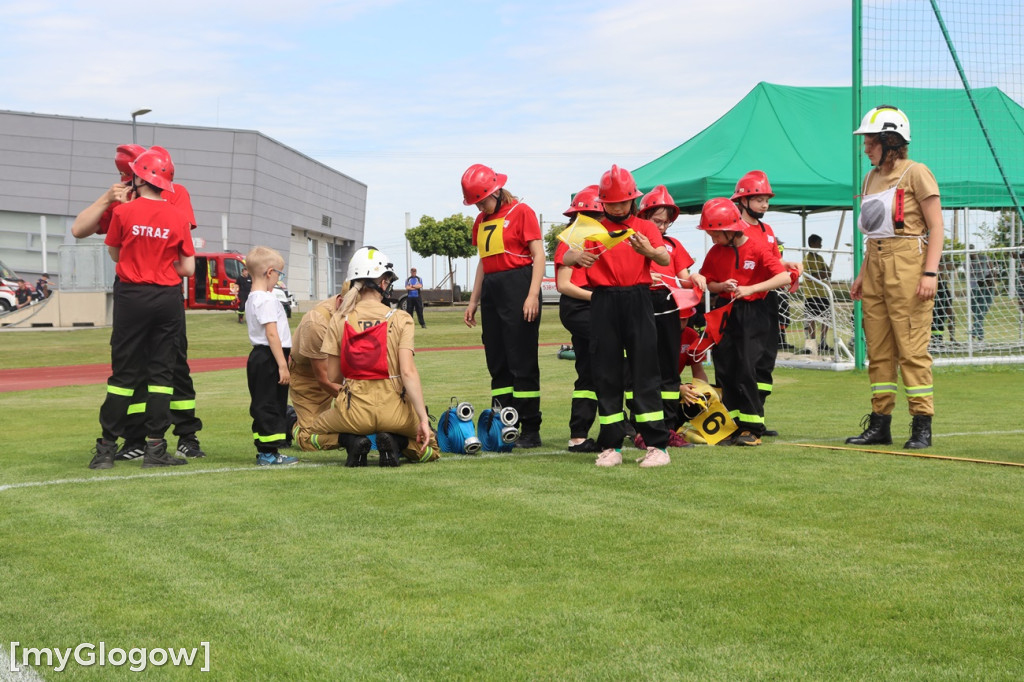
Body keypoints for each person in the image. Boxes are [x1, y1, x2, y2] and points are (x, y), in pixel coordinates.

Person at [72, 144, 207, 462]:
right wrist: (160, 266)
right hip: (166, 295)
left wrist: (139, 260)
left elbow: (116, 254)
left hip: (131, 294)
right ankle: (155, 447)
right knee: (164, 372)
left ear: (138, 175)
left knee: (124, 373)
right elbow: (188, 267)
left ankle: (106, 447)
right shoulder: (174, 213)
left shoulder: (123, 211)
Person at [562, 165, 673, 467]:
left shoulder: (646, 227)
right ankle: (611, 446)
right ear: (602, 202)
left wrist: (649, 250)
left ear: (632, 200)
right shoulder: (589, 229)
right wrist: (577, 256)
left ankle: (657, 446)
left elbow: (665, 258)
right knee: (606, 372)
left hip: (638, 298)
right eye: (611, 202)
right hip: (603, 301)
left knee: (644, 370)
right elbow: (564, 256)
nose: (617, 207)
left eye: (623, 201)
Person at [848, 104, 944, 450]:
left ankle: (922, 425)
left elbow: (936, 227)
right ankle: (880, 423)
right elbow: (873, 234)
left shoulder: (917, 172)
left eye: (870, 141)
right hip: (874, 262)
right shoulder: (870, 177)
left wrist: (930, 272)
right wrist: (862, 274)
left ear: (890, 141)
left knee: (911, 347)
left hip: (908, 263)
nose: (865, 148)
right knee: (879, 348)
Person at [297, 246, 439, 466]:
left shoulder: (338, 319)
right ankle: (397, 442)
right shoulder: (401, 318)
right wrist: (421, 418)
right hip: (395, 411)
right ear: (382, 282)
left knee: (308, 436)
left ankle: (350, 441)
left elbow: (334, 376)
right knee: (432, 448)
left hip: (352, 412)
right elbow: (408, 372)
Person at [461, 164, 545, 448]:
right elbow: (484, 263)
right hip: (493, 291)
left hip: (518, 286)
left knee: (521, 359)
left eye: (481, 201)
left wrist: (532, 295)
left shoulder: (522, 212)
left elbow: (538, 256)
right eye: (474, 203)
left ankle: (531, 428)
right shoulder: (481, 221)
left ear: (496, 192)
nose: (478, 207)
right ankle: (503, 422)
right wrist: (473, 301)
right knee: (497, 361)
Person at [698, 198, 791, 447]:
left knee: (747, 367)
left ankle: (752, 428)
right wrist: (721, 286)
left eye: (714, 233)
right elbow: (707, 282)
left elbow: (783, 277)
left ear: (731, 229)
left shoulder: (759, 248)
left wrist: (751, 288)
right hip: (726, 310)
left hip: (755, 312)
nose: (711, 237)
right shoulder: (715, 252)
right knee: (725, 366)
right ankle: (731, 425)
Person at [732, 170, 802, 436]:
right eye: (759, 199)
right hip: (741, 303)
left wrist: (788, 263)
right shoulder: (734, 230)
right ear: (743, 200)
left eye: (766, 199)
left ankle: (756, 416)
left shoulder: (768, 230)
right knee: (744, 363)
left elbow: (771, 261)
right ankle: (741, 423)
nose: (764, 204)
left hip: (767, 301)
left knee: (765, 362)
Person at [636, 185, 705, 447]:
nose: (662, 227)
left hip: (669, 309)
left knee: (668, 371)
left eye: (666, 222)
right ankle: (641, 429)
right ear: (644, 216)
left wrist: (695, 277)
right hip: (641, 305)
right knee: (643, 369)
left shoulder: (673, 246)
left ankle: (664, 428)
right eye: (657, 221)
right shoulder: (634, 242)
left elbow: (684, 280)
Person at [555, 185, 602, 453]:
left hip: (594, 306)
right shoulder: (571, 239)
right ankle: (585, 433)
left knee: (589, 370)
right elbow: (563, 285)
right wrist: (596, 299)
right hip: (582, 307)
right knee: (603, 367)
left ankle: (580, 435)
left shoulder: (601, 238)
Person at [244, 246, 298, 466]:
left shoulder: (253, 298)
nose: (279, 279)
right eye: (279, 274)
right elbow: (272, 333)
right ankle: (268, 453)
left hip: (265, 355)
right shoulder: (265, 299)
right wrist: (282, 365)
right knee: (270, 404)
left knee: (266, 402)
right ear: (269, 272)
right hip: (269, 357)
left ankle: (266, 449)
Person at [289, 290, 345, 443]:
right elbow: (324, 378)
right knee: (309, 437)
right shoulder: (317, 323)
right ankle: (290, 419)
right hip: (309, 376)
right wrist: (353, 399)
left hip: (342, 368)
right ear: (340, 301)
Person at [802, 234, 833, 353]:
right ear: (812, 244)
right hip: (811, 294)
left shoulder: (820, 258)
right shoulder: (806, 260)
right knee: (811, 319)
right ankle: (812, 343)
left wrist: (820, 274)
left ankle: (823, 342)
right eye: (819, 243)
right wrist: (821, 274)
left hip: (823, 293)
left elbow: (828, 273)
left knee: (827, 318)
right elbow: (810, 277)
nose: (821, 245)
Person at [967, 245, 996, 342]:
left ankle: (974, 337)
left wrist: (991, 281)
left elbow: (992, 270)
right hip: (974, 290)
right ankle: (979, 338)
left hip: (987, 288)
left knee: (981, 313)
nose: (972, 253)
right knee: (976, 314)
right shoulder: (966, 263)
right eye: (969, 251)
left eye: (973, 251)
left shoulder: (985, 258)